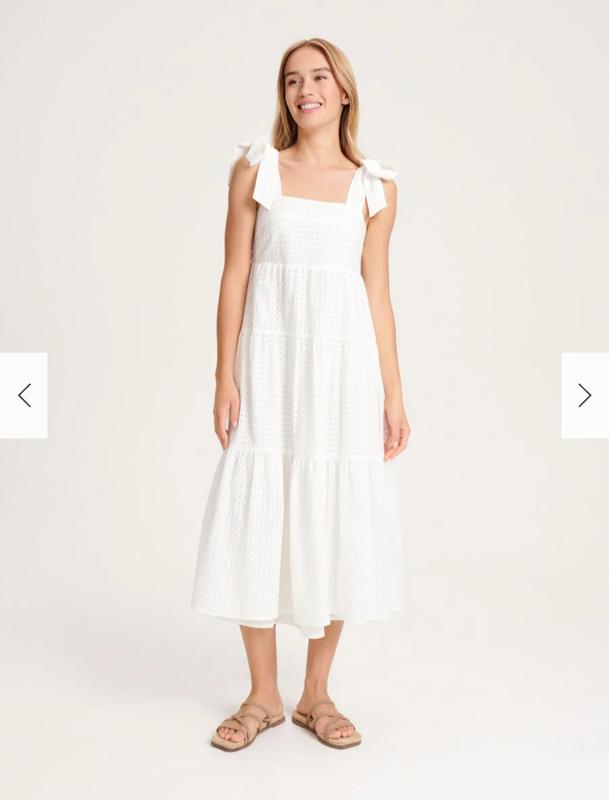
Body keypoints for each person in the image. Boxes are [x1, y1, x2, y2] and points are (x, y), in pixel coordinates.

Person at [191, 37, 411, 752]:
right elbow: (234, 275)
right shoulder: (257, 170)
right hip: (270, 362)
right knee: (260, 509)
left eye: (318, 77)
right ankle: (262, 694)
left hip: (344, 370)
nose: (304, 89)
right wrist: (224, 375)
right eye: (292, 79)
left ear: (344, 91)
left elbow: (377, 293)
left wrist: (393, 393)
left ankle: (316, 694)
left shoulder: (375, 187)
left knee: (334, 511)